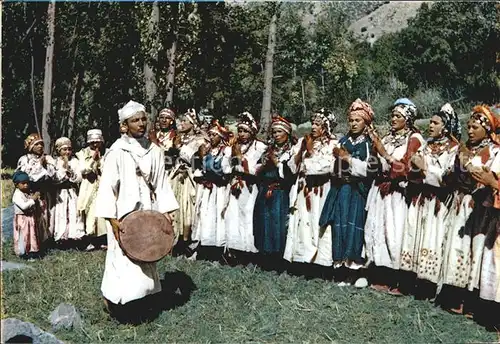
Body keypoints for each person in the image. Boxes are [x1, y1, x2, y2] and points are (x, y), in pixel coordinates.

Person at [95, 100, 179, 316]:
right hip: (123, 213)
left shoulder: (155, 151)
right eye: (135, 120)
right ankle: (118, 301)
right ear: (125, 125)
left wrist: (167, 211)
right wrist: (111, 218)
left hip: (148, 212)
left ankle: (144, 298)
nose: (141, 123)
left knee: (147, 252)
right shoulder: (117, 151)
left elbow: (161, 183)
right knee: (122, 257)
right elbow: (107, 187)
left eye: (143, 119)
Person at [440, 105, 500, 322]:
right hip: (462, 204)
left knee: (477, 252)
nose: (470, 131)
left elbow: (488, 178)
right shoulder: (463, 148)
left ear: (486, 129)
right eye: (468, 127)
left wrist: (473, 169)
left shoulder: (494, 151)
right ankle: (456, 297)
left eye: (475, 127)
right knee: (458, 248)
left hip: (481, 209)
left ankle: (473, 301)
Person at [364, 98, 425, 294]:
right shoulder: (388, 138)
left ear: (407, 119)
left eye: (398, 116)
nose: (393, 119)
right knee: (378, 230)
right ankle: (381, 274)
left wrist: (384, 153)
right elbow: (373, 166)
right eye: (392, 116)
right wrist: (375, 147)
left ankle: (400, 279)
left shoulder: (414, 139)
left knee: (395, 232)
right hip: (381, 190)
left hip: (399, 194)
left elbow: (407, 168)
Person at [401, 103, 460, 298]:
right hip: (422, 199)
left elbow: (447, 179)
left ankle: (432, 286)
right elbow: (412, 169)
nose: (431, 126)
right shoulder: (427, 145)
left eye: (435, 123)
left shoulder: (454, 149)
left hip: (440, 203)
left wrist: (425, 169)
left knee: (435, 238)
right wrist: (417, 170)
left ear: (445, 127)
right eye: (431, 122)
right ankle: (417, 282)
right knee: (418, 237)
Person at [319, 99, 376, 287]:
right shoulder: (343, 141)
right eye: (351, 120)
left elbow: (370, 170)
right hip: (341, 190)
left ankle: (358, 271)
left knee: (355, 227)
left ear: (366, 123)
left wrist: (348, 159)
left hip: (357, 193)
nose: (353, 124)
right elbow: (333, 165)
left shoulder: (368, 144)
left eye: (357, 121)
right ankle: (342, 268)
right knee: (340, 226)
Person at [284, 109, 338, 268]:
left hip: (320, 190)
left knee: (317, 223)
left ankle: (320, 262)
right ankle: (302, 260)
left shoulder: (333, 144)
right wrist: (301, 150)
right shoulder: (302, 141)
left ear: (327, 127)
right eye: (312, 123)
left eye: (318, 124)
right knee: (302, 223)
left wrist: (310, 151)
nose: (313, 127)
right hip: (302, 189)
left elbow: (327, 166)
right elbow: (292, 167)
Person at [253, 116, 296, 268]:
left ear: (287, 133)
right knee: (264, 222)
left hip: (280, 191)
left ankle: (279, 259)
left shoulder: (291, 151)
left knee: (278, 223)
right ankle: (265, 257)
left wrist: (276, 163)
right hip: (265, 190)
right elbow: (256, 168)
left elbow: (290, 173)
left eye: (279, 132)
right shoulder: (267, 150)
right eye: (274, 132)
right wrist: (264, 166)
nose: (276, 135)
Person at [224, 112, 267, 259]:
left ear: (252, 132)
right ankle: (233, 250)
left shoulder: (260, 147)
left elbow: (255, 169)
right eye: (240, 130)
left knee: (247, 215)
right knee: (232, 216)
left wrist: (238, 158)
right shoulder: (232, 146)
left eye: (245, 131)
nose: (242, 134)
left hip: (250, 186)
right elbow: (225, 167)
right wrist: (235, 157)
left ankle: (249, 251)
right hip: (234, 184)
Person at [169, 109, 208, 256]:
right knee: (175, 208)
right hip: (176, 177)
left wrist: (180, 150)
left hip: (190, 179)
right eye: (181, 121)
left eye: (185, 121)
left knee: (188, 209)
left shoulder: (200, 140)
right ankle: (174, 242)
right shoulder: (178, 138)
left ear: (193, 124)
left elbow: (199, 161)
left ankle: (189, 244)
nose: (182, 123)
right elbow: (169, 160)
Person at [191, 120, 232, 254]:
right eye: (210, 135)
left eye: (214, 135)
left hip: (219, 188)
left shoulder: (226, 151)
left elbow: (225, 170)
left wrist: (205, 161)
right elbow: (197, 168)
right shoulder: (207, 149)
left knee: (218, 215)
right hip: (207, 189)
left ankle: (219, 249)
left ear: (221, 137)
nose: (211, 137)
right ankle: (205, 246)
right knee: (205, 214)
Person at [16, 133, 56, 243]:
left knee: (45, 215)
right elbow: (27, 177)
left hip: (45, 191)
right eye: (37, 144)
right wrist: (40, 166)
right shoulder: (25, 160)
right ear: (30, 146)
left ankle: (46, 240)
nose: (40, 147)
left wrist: (45, 165)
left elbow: (53, 175)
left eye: (41, 144)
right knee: (33, 217)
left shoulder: (47, 158)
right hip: (31, 192)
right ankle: (33, 241)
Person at [76, 129, 107, 250]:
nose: (95, 145)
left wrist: (100, 161)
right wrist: (93, 160)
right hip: (88, 185)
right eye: (92, 142)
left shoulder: (106, 153)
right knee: (89, 212)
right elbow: (83, 169)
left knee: (102, 212)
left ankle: (102, 239)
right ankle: (89, 239)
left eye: (97, 142)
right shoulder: (83, 153)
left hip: (101, 184)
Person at [52, 137, 85, 244]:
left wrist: (71, 174)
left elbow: (79, 177)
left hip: (72, 191)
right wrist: (63, 173)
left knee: (73, 212)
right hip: (60, 192)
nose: (67, 152)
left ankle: (75, 235)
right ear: (58, 151)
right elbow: (54, 178)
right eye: (64, 149)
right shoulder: (55, 162)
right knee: (61, 213)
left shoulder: (75, 161)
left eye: (69, 149)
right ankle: (61, 236)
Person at [11, 171, 41, 259]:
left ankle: (31, 251)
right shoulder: (17, 195)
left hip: (29, 218)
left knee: (31, 235)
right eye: (23, 183)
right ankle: (23, 252)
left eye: (27, 183)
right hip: (22, 219)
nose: (26, 185)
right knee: (23, 235)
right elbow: (24, 206)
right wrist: (33, 200)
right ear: (16, 185)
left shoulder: (25, 192)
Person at [153, 108, 178, 172]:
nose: (164, 120)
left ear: (171, 121)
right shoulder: (154, 134)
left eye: (167, 118)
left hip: (169, 170)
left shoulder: (176, 136)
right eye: (161, 117)